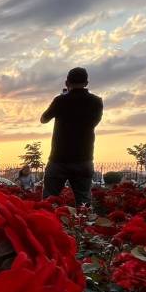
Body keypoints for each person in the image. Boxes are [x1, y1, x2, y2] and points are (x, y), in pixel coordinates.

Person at [40, 67, 102, 205]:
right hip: (84, 158)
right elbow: (94, 123)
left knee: (49, 203)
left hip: (58, 159)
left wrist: (62, 100)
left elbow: (43, 119)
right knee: (83, 203)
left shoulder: (60, 101)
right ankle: (83, 226)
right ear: (86, 83)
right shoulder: (96, 102)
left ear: (67, 82)